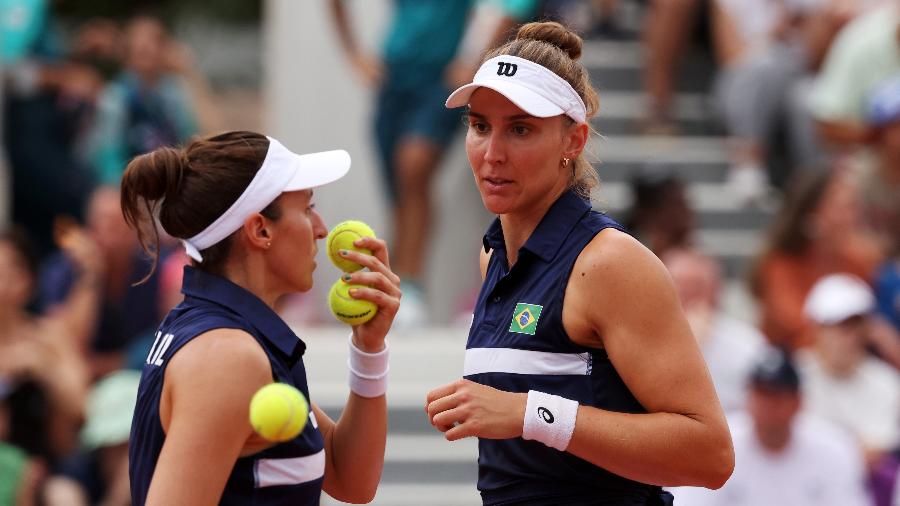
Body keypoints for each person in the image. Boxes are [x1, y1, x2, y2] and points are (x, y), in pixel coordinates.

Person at [425, 22, 734, 505]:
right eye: (480, 126)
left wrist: (530, 413)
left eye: (520, 129)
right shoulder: (492, 257)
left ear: (573, 141)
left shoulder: (611, 263)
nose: (492, 153)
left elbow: (709, 455)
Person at [122, 131, 400, 505]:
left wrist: (369, 348)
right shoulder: (229, 356)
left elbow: (351, 479)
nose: (321, 229)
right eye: (306, 208)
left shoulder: (232, 336)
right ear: (260, 229)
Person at [670, 349, 870, 506]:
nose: (768, 405)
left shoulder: (834, 448)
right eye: (762, 394)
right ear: (748, 398)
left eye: (778, 396)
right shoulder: (715, 447)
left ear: (798, 402)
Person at [662, 248, 766, 414]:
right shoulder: (640, 339)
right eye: (678, 285)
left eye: (696, 286)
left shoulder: (747, 344)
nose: (686, 295)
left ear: (716, 290)